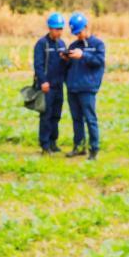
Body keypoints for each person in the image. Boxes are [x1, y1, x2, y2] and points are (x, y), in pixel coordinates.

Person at [63, 12, 106, 161]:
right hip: (73, 88)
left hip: (87, 88)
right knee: (76, 120)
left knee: (90, 119)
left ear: (87, 27)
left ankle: (94, 149)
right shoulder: (74, 45)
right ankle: (79, 147)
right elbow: (69, 67)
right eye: (76, 33)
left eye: (80, 32)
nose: (78, 36)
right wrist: (66, 58)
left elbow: (99, 62)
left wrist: (83, 55)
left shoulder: (98, 44)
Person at [33, 13, 68, 155]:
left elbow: (65, 65)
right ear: (49, 28)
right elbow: (38, 65)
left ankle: (53, 142)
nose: (58, 31)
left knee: (56, 115)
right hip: (47, 87)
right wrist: (43, 81)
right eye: (56, 29)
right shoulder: (42, 44)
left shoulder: (62, 44)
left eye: (60, 28)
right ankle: (45, 145)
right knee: (46, 116)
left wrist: (66, 60)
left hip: (59, 86)